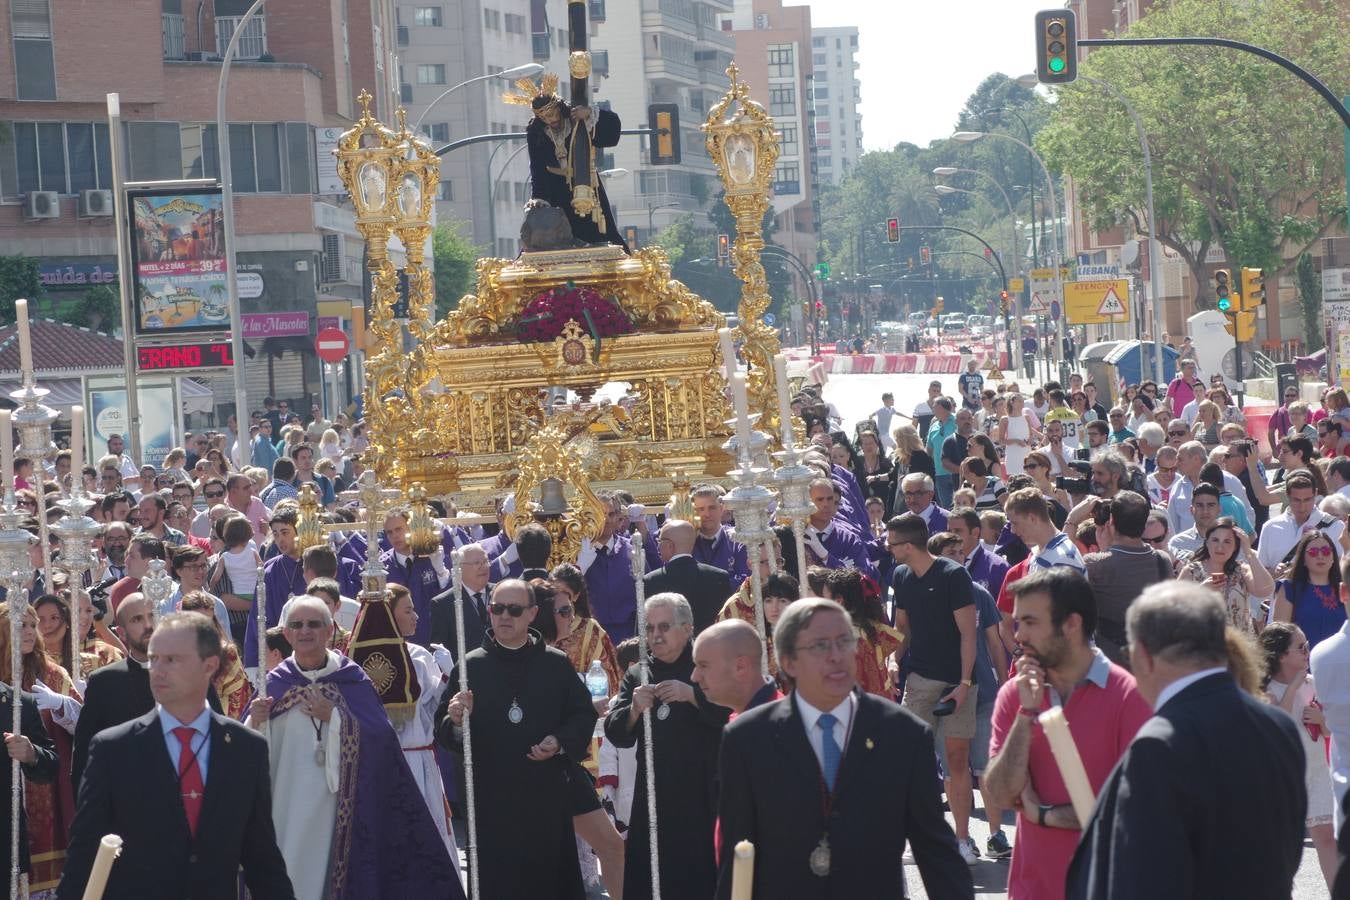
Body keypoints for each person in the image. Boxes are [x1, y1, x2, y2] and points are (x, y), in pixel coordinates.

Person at [714, 597, 971, 899]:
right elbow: (737, 857)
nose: (836, 655)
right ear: (788, 662)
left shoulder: (903, 735)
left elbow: (935, 850)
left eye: (844, 642)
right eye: (820, 646)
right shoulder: (747, 739)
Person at [1066, 582, 1306, 900]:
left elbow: (1144, 879)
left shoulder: (1158, 746)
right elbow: (1288, 852)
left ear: (1144, 656)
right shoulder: (1279, 727)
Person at [57, 613, 294, 900]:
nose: (157, 670)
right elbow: (83, 854)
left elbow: (262, 858)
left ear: (210, 665)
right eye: (154, 659)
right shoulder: (114, 749)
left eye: (172, 660)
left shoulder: (245, 749)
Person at [251, 595, 458, 899]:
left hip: (342, 811)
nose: (305, 631)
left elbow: (381, 740)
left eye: (314, 624)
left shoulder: (352, 679)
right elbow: (250, 753)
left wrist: (335, 717)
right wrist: (256, 723)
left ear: (329, 630)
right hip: (290, 810)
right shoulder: (276, 685)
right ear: (286, 634)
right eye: (297, 625)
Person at [983, 568, 1151, 900]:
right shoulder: (1014, 697)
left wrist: (1042, 815)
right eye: (1018, 622)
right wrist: (1026, 715)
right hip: (1031, 891)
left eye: (1030, 622)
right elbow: (1000, 795)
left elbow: (1131, 814)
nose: (1018, 635)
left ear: (1071, 624)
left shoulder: (1129, 697)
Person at [437, 578, 595, 898]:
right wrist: (455, 720)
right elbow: (445, 729)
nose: (504, 616)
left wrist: (560, 741)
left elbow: (582, 714)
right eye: (497, 608)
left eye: (514, 609)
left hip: (544, 798)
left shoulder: (555, 663)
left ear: (533, 613)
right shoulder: (470, 667)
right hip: (492, 801)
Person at [605, 593, 729, 900]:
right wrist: (633, 710)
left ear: (687, 629)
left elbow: (733, 714)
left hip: (702, 794)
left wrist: (693, 696)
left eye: (664, 627)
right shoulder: (639, 673)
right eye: (649, 629)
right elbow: (616, 731)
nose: (655, 636)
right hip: (654, 794)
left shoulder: (708, 666)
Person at [887, 512, 980, 863]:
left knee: (957, 761)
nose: (888, 548)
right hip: (921, 680)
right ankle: (921, 836)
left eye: (892, 543)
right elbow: (903, 628)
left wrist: (965, 683)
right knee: (913, 760)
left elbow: (968, 634)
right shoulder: (900, 575)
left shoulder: (954, 575)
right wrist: (895, 658)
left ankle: (962, 838)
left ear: (908, 545)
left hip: (958, 682)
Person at [1259, 622, 1338, 890]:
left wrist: (1322, 719)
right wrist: (1292, 687)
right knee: (1283, 847)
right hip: (1284, 779)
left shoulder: (1314, 684)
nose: (1308, 651)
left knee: (1326, 838)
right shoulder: (1266, 691)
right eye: (1301, 647)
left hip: (1318, 772)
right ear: (1281, 655)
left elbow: (1331, 732)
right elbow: (1276, 725)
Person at [386, 584, 456, 857]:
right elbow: (434, 712)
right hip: (414, 758)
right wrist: (449, 678)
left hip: (399, 759)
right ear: (389, 616)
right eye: (408, 610)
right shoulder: (416, 656)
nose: (416, 616)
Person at [520, 81, 627, 247]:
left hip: (586, 183)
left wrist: (589, 113)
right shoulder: (536, 131)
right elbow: (537, 167)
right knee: (557, 236)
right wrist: (539, 197)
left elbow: (611, 133)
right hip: (556, 189)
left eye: (553, 113)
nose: (551, 119)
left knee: (601, 234)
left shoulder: (576, 117)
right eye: (545, 117)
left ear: (558, 107)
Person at [1081, 492, 1175, 665]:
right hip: (1151, 663)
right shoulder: (1162, 559)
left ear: (1112, 522)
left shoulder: (1095, 564)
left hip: (1111, 669)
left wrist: (1071, 520)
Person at [1178, 517, 1275, 635]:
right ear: (1207, 542)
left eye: (1227, 541)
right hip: (1203, 646)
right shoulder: (1191, 571)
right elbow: (1173, 610)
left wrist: (1249, 553)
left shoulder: (1241, 571)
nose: (1220, 547)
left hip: (1240, 646)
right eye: (1215, 540)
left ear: (1235, 547)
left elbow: (1265, 590)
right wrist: (1201, 592)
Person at [644, 520, 733, 635]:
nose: (658, 547)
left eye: (659, 541)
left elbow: (646, 628)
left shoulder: (652, 581)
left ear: (670, 545)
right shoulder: (720, 577)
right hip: (710, 647)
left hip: (670, 651)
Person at [578, 492, 643, 641]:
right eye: (600, 514)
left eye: (611, 514)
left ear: (618, 517)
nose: (606, 519)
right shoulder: (578, 552)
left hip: (628, 633)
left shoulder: (631, 549)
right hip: (590, 634)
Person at [1259, 471, 1346, 577]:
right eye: (1296, 500)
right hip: (1281, 592)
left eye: (1307, 500)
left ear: (1315, 494)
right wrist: (1274, 572)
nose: (1302, 507)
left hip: (1319, 593)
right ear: (1287, 496)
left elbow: (1344, 570)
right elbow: (1260, 571)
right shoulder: (1270, 527)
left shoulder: (1336, 527)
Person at [1273, 529, 1346, 649]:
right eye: (1313, 552)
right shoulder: (1289, 589)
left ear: (1333, 557)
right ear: (1303, 560)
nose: (1320, 556)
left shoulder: (1344, 588)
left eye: (1326, 551)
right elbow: (1279, 637)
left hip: (1341, 662)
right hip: (1303, 664)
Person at [691, 619, 780, 715]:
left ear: (740, 666)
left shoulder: (781, 723)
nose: (694, 677)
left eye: (704, 666)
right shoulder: (743, 718)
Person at [801, 478, 876, 576]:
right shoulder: (798, 537)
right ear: (808, 502)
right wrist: (843, 567)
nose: (826, 504)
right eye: (820, 499)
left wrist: (826, 557)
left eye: (830, 499)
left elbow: (863, 577)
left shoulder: (849, 539)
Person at [689, 485, 750, 588]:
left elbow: (745, 580)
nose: (706, 514)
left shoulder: (738, 539)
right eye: (700, 509)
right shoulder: (687, 543)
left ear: (721, 508)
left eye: (712, 508)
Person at [948, 507, 1008, 597]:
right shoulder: (944, 564)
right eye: (949, 531)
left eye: (957, 531)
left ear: (975, 532)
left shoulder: (997, 567)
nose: (951, 536)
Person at [999, 393, 1039, 478]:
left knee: (1029, 477)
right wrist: (1016, 441)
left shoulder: (1026, 417)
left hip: (1026, 453)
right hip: (1012, 454)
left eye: (1022, 401)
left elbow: (1030, 435)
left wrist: (1030, 440)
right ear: (1012, 402)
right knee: (1014, 479)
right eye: (1019, 401)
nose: (1022, 403)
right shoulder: (1005, 420)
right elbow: (1001, 441)